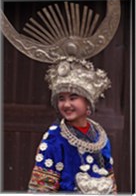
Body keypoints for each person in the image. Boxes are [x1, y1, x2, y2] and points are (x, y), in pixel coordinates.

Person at [28, 56, 117, 194]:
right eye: (61, 99)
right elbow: (42, 188)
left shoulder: (100, 136)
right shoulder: (54, 137)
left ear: (88, 102)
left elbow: (110, 181)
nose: (66, 104)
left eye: (73, 98)